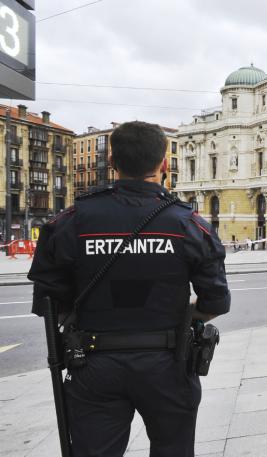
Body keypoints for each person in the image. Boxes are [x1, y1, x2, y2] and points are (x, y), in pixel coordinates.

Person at [27, 121, 231, 456]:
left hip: (93, 365)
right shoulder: (188, 224)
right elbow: (216, 302)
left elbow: (48, 302)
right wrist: (186, 317)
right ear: (164, 163)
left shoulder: (72, 220)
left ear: (112, 162)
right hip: (167, 363)